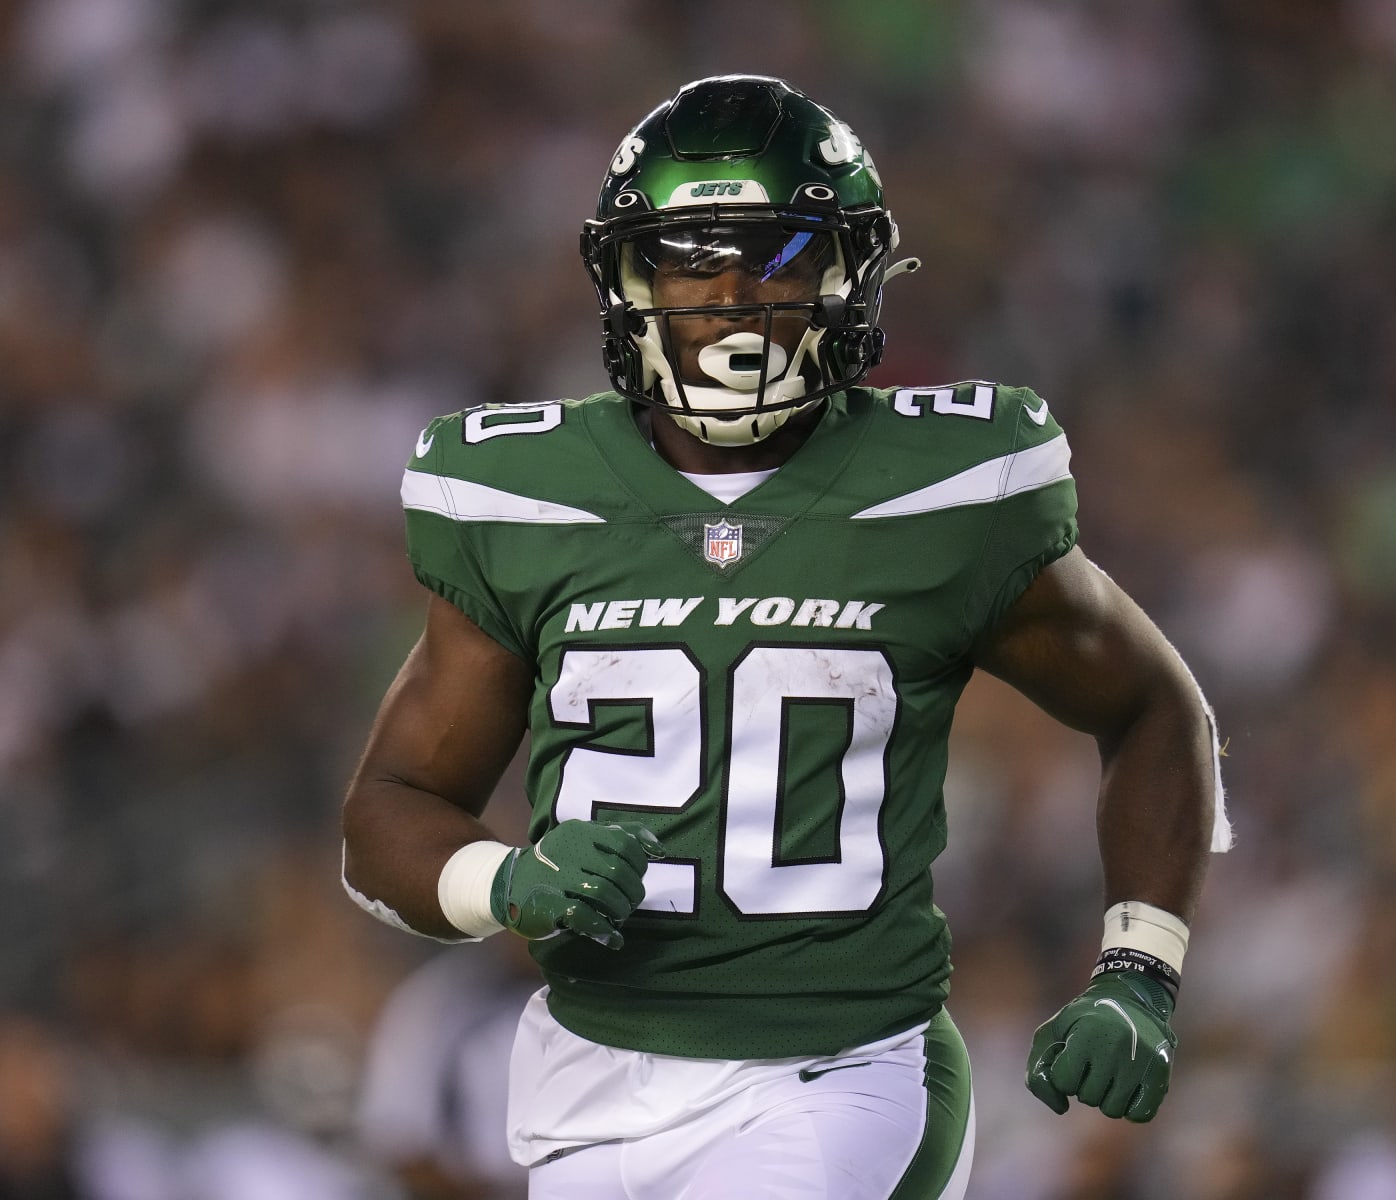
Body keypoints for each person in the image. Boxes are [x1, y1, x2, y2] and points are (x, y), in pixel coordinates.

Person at [340, 74, 1233, 1199]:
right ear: (626, 277)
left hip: (841, 1078)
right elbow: (389, 811)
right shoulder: (521, 494)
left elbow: (1155, 707)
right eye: (689, 256)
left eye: (777, 255)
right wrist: (502, 881)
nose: (730, 295)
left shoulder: (950, 489)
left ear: (847, 272)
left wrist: (1139, 968)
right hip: (584, 1086)